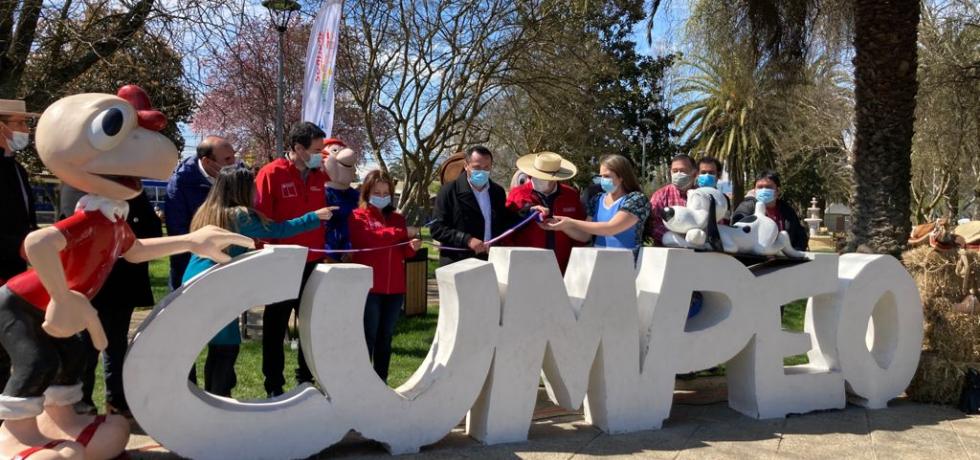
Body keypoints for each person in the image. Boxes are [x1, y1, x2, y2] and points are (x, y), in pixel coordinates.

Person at [182, 166, 335, 397]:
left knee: (215, 344)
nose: (256, 191)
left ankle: (211, 397)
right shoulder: (240, 215)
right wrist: (314, 216)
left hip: (195, 279)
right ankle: (219, 401)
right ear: (242, 189)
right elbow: (279, 229)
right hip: (216, 285)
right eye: (253, 186)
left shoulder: (208, 210)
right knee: (226, 345)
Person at [60, 185, 162, 417]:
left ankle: (116, 401)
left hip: (121, 282)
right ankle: (80, 403)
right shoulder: (77, 187)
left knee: (115, 345)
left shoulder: (130, 189)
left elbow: (151, 228)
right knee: (86, 347)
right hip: (89, 284)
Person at [254, 121, 330, 397]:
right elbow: (261, 221)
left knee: (310, 324)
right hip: (281, 262)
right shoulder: (271, 174)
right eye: (317, 150)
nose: (321, 155)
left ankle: (306, 381)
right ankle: (274, 386)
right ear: (298, 148)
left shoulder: (319, 175)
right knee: (275, 326)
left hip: (314, 260)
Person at [348, 171, 422, 383]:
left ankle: (381, 381)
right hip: (370, 288)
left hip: (395, 288)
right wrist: (401, 233)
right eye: (376, 192)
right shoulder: (357, 216)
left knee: (385, 337)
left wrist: (411, 246)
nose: (381, 196)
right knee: (368, 336)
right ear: (367, 192)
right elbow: (369, 241)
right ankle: (361, 382)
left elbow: (403, 252)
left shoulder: (398, 218)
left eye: (385, 192)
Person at [164, 136, 237, 290]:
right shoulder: (180, 184)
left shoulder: (232, 178)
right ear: (207, 162)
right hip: (192, 269)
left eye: (234, 156)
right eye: (228, 159)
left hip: (227, 264)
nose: (234, 163)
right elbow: (178, 232)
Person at [546, 154, 650, 260]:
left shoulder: (637, 200)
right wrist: (561, 226)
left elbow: (611, 228)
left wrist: (571, 222)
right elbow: (585, 235)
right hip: (599, 262)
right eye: (601, 176)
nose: (602, 180)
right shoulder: (597, 200)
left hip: (627, 262)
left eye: (607, 176)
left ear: (621, 177)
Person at [431, 146, 520, 266]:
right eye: (477, 167)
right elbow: (437, 228)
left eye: (486, 168)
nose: (482, 172)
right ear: (466, 165)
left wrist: (530, 211)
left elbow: (504, 220)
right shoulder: (448, 191)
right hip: (458, 262)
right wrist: (467, 240)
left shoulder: (497, 192)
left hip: (490, 261)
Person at [506, 152, 585, 273]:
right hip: (526, 267)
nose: (541, 179)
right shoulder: (517, 194)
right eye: (538, 175)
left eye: (546, 176)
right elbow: (507, 230)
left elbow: (581, 232)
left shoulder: (571, 195)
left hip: (563, 268)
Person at [0, 99, 38, 283]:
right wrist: (17, 245)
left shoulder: (17, 168)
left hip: (16, 270)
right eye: (20, 123)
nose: (26, 130)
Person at [732, 170, 809, 251]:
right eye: (760, 187)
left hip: (785, 260)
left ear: (778, 191)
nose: (764, 190)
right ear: (754, 190)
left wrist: (796, 251)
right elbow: (737, 233)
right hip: (754, 259)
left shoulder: (787, 210)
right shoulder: (746, 208)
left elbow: (800, 236)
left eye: (768, 187)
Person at [648, 154, 697, 246]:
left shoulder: (702, 196)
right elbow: (652, 223)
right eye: (675, 171)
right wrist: (673, 237)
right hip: (667, 250)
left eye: (683, 171)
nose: (678, 174)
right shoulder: (660, 195)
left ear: (694, 174)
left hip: (699, 250)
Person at [323, 143, 362, 260]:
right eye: (335, 150)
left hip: (354, 250)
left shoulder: (355, 195)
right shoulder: (321, 193)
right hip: (327, 251)